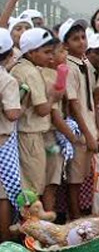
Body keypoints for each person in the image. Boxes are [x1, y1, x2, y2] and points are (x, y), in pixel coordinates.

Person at [11, 28, 63, 212]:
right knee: (32, 188)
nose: (50, 57)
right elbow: (42, 110)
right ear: (32, 52)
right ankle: (31, 226)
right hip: (30, 135)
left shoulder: (19, 67)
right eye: (46, 52)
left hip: (24, 134)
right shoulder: (31, 72)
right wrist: (54, 96)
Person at [61, 19, 99, 219]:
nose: (81, 42)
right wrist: (87, 133)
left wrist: (96, 131)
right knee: (74, 180)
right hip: (78, 130)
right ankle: (75, 218)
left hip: (89, 126)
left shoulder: (84, 64)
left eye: (83, 37)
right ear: (65, 44)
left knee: (84, 176)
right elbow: (74, 104)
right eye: (75, 39)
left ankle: (81, 214)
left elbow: (90, 100)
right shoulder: (68, 67)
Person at [0, 28, 21, 237]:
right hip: (2, 142)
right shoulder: (7, 80)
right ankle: (4, 240)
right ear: (8, 55)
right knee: (4, 194)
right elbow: (12, 113)